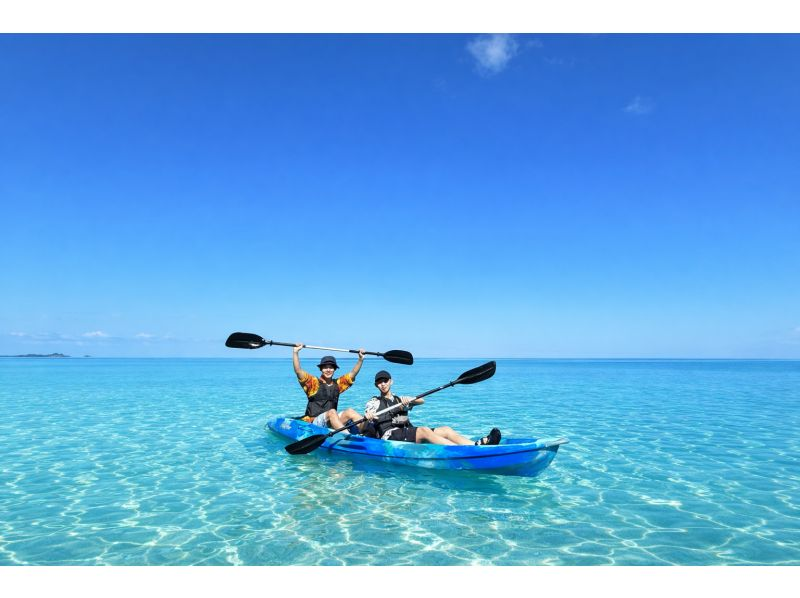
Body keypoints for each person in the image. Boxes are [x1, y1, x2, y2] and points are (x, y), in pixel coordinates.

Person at [363, 370, 501, 446]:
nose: (382, 384)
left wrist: (411, 400)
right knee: (424, 430)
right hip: (389, 435)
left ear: (391, 381)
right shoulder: (374, 401)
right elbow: (368, 413)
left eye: (385, 381)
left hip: (406, 430)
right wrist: (368, 416)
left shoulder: (400, 399)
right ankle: (462, 451)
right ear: (376, 385)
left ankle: (474, 445)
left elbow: (421, 401)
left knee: (446, 429)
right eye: (379, 382)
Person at [293, 344, 364, 431]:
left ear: (334, 369)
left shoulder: (337, 384)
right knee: (332, 412)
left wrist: (360, 359)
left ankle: (367, 433)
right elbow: (298, 371)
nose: (328, 370)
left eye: (331, 367)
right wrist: (295, 352)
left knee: (350, 412)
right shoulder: (313, 383)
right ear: (321, 369)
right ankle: (347, 437)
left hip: (330, 422)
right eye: (325, 367)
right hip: (314, 422)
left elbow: (352, 374)